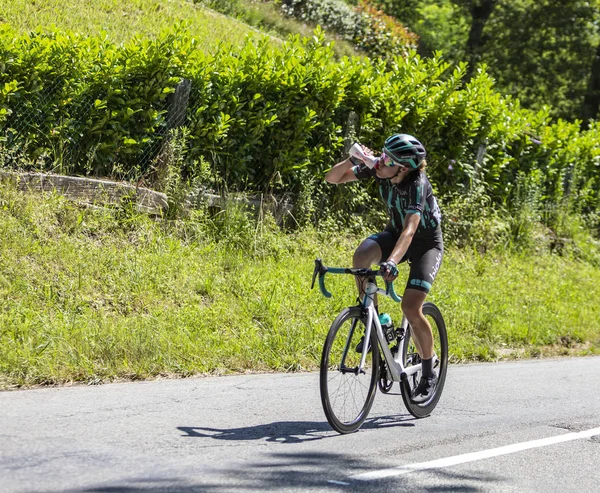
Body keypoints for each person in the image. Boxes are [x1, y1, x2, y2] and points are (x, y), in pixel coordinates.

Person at [324, 133, 443, 403]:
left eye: (388, 158)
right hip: (395, 234)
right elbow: (332, 177)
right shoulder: (380, 170)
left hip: (425, 244)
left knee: (411, 308)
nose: (380, 160)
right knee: (362, 256)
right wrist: (353, 159)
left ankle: (428, 369)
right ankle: (372, 319)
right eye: (382, 153)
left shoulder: (417, 184)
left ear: (403, 168)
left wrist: (391, 261)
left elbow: (411, 229)